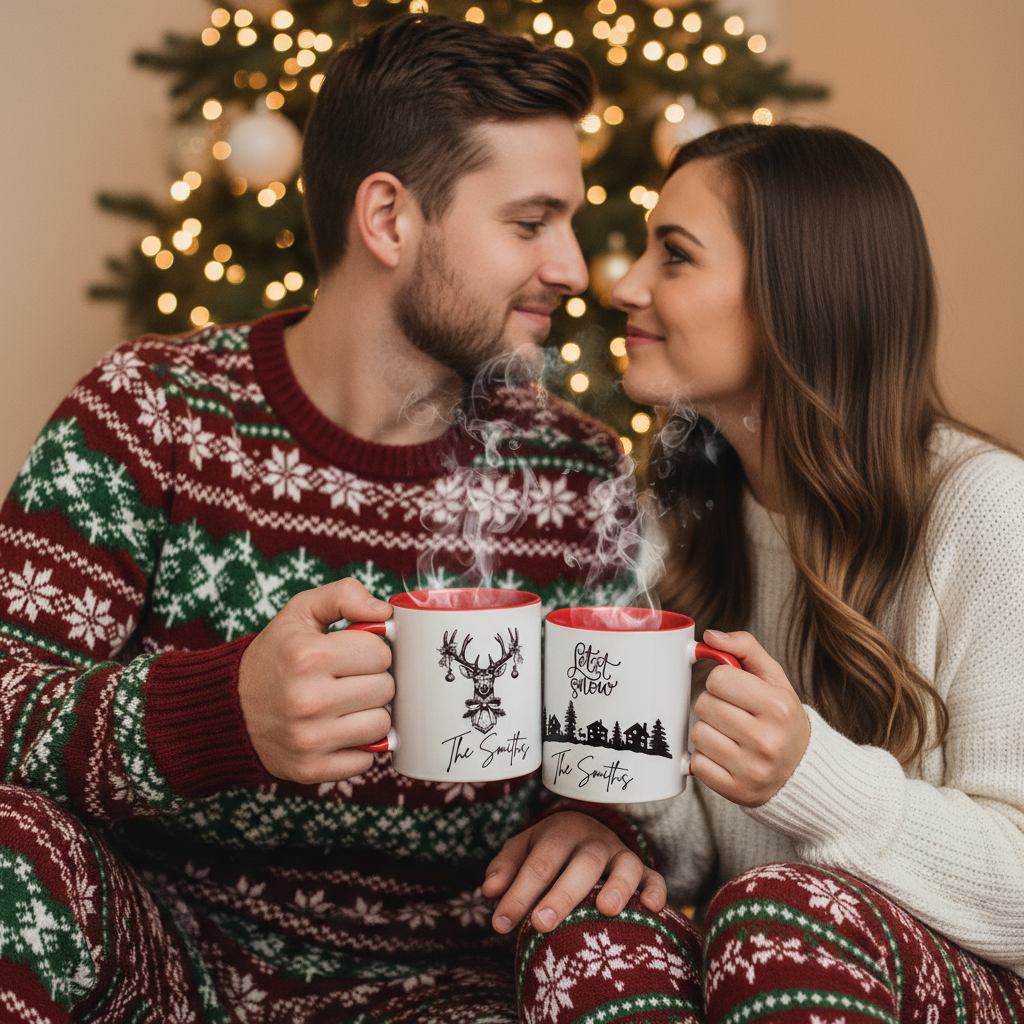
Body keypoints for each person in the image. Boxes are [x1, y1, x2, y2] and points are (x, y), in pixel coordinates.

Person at [0, 15, 698, 1023]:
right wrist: (217, 712)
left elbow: (620, 759)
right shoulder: (148, 412)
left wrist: (600, 823)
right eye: (530, 221)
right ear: (388, 218)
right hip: (164, 956)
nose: (575, 268)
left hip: (449, 986)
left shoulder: (574, 469)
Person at [609, 121, 1024, 1021]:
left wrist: (808, 773)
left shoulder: (989, 513)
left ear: (798, 298)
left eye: (673, 256)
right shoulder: (679, 517)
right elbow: (687, 865)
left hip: (954, 977)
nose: (624, 284)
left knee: (778, 911)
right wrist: (606, 812)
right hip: (762, 963)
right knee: (583, 922)